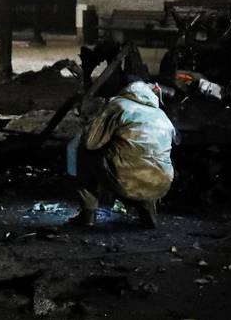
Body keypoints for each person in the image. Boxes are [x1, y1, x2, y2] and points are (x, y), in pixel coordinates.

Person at [70, 80, 177, 229]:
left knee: (82, 152)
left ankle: (88, 214)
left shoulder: (118, 104)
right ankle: (148, 214)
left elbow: (90, 142)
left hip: (123, 180)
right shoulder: (161, 115)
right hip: (161, 184)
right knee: (151, 162)